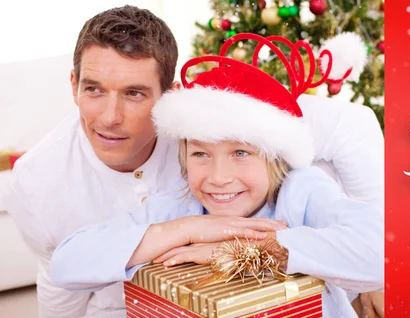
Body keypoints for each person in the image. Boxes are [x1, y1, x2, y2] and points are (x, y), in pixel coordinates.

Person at [2, 5, 383, 318]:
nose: (219, 177)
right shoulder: (180, 204)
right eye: (200, 154)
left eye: (240, 153)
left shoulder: (301, 190)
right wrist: (183, 230)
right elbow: (65, 264)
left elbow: (384, 250)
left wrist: (250, 250)